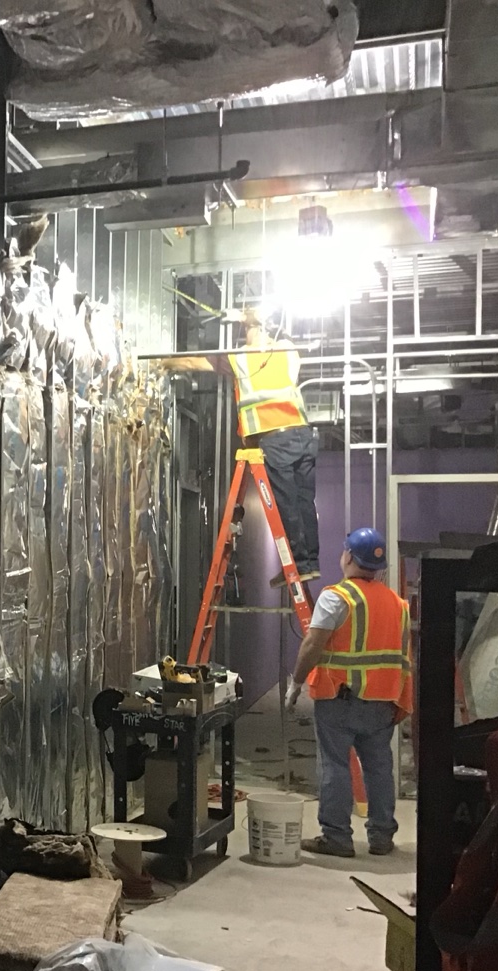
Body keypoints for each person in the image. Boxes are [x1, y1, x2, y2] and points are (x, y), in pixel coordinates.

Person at [163, 310, 321, 583]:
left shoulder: (241, 358)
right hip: (303, 435)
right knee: (304, 501)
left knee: (286, 504)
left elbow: (192, 361)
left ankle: (298, 566)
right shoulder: (286, 350)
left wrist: (162, 363)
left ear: (248, 327)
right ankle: (310, 563)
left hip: (276, 437)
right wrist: (248, 318)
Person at [285, 527, 413, 857]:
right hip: (383, 702)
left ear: (349, 557)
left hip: (340, 699)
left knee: (335, 765)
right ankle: (382, 837)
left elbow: (313, 645)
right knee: (379, 768)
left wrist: (296, 682)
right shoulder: (398, 604)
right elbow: (402, 658)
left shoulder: (337, 598)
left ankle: (337, 838)